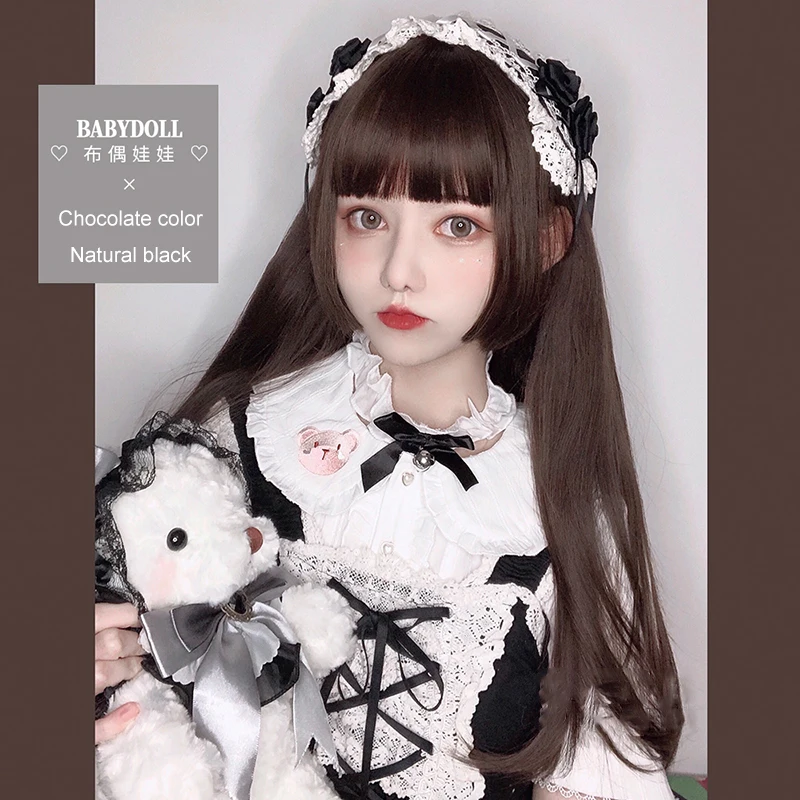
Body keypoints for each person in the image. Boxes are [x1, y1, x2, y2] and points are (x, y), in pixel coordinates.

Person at [95, 15, 684, 800]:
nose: (400, 270)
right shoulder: (238, 439)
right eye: (367, 218)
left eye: (457, 226)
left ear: (546, 241)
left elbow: (598, 779)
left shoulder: (565, 515)